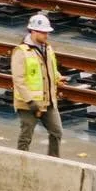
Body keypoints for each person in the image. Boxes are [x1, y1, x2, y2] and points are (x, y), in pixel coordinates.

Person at [12, 13, 66, 156]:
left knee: (57, 132)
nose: (46, 35)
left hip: (48, 100)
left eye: (47, 32)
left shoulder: (47, 48)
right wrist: (30, 101)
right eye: (44, 32)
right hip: (28, 103)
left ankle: (53, 161)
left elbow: (50, 69)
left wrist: (58, 77)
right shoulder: (21, 52)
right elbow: (19, 80)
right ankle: (20, 161)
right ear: (33, 31)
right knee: (26, 135)